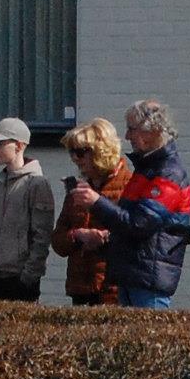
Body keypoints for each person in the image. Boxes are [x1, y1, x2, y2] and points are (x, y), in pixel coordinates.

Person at [66, 99, 190, 308]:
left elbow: (139, 224)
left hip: (148, 281)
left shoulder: (168, 174)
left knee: (146, 330)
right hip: (134, 276)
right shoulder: (146, 169)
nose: (127, 136)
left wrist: (97, 203)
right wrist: (106, 240)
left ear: (153, 131)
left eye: (132, 129)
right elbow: (128, 223)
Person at [0, 117, 56, 302]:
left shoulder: (37, 185)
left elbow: (42, 235)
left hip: (17, 279)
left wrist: (29, 276)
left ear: (19, 145)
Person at [54, 119, 127, 306]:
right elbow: (57, 242)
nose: (75, 159)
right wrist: (77, 235)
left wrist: (104, 238)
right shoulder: (78, 189)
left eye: (80, 152)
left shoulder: (129, 185)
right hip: (80, 289)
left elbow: (137, 232)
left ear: (101, 151)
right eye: (71, 152)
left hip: (115, 290)